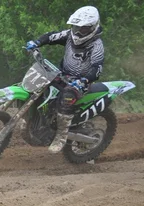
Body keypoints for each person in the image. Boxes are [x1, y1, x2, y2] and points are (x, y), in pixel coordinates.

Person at [25, 5, 104, 153]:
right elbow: (51, 36)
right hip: (62, 74)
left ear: (93, 27)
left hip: (81, 82)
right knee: (40, 84)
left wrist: (84, 80)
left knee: (67, 97)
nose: (79, 32)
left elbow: (97, 69)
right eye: (76, 27)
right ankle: (37, 122)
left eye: (83, 29)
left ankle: (61, 136)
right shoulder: (69, 35)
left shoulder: (96, 45)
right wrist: (36, 42)